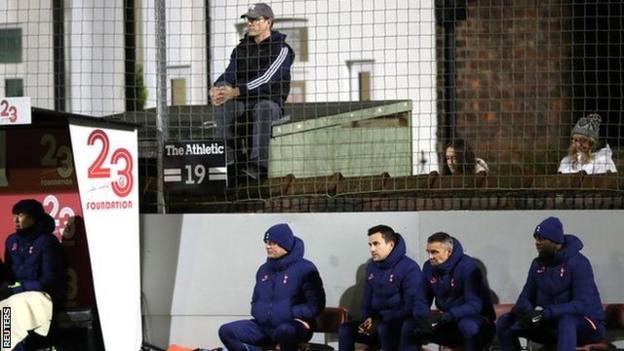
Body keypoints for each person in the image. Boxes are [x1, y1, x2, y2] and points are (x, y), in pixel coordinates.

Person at [211, 3, 295, 181]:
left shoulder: (282, 49)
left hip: (269, 101)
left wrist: (236, 91)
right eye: (248, 19)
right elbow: (230, 73)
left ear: (268, 22)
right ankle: (227, 163)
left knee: (263, 108)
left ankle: (258, 167)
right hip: (243, 101)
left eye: (255, 19)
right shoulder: (241, 49)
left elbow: (266, 79)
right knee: (224, 104)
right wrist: (218, 87)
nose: (250, 23)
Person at [496, 216, 605, 351]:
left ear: (556, 242)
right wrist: (528, 313)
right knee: (505, 321)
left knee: (567, 320)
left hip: (586, 326)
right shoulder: (537, 264)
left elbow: (582, 305)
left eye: (542, 238)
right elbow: (525, 297)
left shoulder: (579, 263)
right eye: (536, 238)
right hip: (550, 324)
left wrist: (546, 313)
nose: (537, 243)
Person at [218, 223, 325, 351]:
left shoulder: (305, 268)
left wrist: (291, 313)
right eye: (267, 242)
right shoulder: (263, 270)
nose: (267, 246)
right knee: (226, 331)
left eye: (273, 243)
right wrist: (259, 312)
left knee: (285, 330)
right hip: (264, 326)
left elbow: (316, 304)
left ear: (285, 244)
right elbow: (256, 299)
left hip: (293, 325)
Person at [338, 225, 424, 351]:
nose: (372, 249)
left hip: (398, 325)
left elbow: (409, 306)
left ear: (391, 244)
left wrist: (380, 320)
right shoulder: (371, 267)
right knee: (345, 330)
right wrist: (366, 319)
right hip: (377, 323)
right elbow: (366, 301)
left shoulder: (409, 268)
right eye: (370, 244)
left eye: (376, 244)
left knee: (385, 328)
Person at [410, 232, 495, 351]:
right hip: (447, 320)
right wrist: (424, 317)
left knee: (467, 326)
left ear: (449, 252)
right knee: (409, 327)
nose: (430, 257)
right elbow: (421, 299)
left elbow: (474, 306)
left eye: (434, 252)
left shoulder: (468, 266)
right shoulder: (428, 267)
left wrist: (447, 316)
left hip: (475, 320)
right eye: (428, 252)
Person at [1, 199, 66, 351]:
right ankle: (8, 347)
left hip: (44, 295)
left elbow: (49, 281)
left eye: (21, 215)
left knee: (12, 307)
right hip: (15, 295)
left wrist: (17, 288)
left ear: (34, 217)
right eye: (14, 215)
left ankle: (12, 347)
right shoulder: (11, 241)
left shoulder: (47, 242)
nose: (16, 219)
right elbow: (7, 274)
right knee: (6, 306)